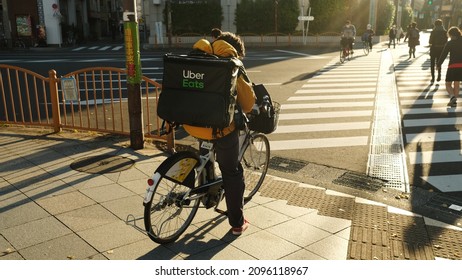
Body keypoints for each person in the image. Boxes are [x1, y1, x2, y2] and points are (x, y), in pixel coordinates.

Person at [183, 32, 256, 235]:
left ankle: (207, 193)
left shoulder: (197, 57)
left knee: (205, 153)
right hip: (220, 129)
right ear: (235, 51)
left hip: (192, 123)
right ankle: (237, 223)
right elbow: (248, 103)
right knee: (232, 172)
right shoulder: (229, 65)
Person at [437, 26, 462, 107]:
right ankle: (454, 102)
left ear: (450, 34)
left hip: (452, 66)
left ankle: (452, 97)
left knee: (448, 84)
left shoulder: (450, 43)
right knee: (457, 84)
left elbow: (443, 54)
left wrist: (438, 64)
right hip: (461, 66)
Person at [429, 19, 448, 83]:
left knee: (432, 63)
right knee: (439, 63)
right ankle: (439, 75)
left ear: (435, 24)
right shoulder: (445, 32)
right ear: (441, 24)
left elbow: (430, 41)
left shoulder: (433, 31)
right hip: (441, 49)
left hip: (434, 49)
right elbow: (446, 41)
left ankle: (433, 78)